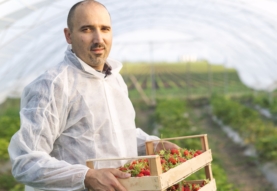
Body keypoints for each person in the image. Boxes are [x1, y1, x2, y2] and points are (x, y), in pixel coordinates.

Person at [8, 1, 178, 191]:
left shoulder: (114, 79)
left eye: (104, 29)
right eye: (87, 29)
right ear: (68, 35)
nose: (98, 39)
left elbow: (117, 134)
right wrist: (86, 176)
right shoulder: (53, 85)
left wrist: (153, 145)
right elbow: (26, 162)